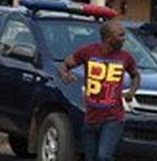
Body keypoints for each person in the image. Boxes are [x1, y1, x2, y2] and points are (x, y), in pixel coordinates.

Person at [58, 20, 141, 161]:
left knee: (104, 157)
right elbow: (65, 65)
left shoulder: (125, 57)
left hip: (114, 118)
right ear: (108, 38)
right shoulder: (88, 52)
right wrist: (65, 74)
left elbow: (136, 75)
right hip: (91, 118)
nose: (124, 39)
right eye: (120, 35)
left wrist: (131, 92)